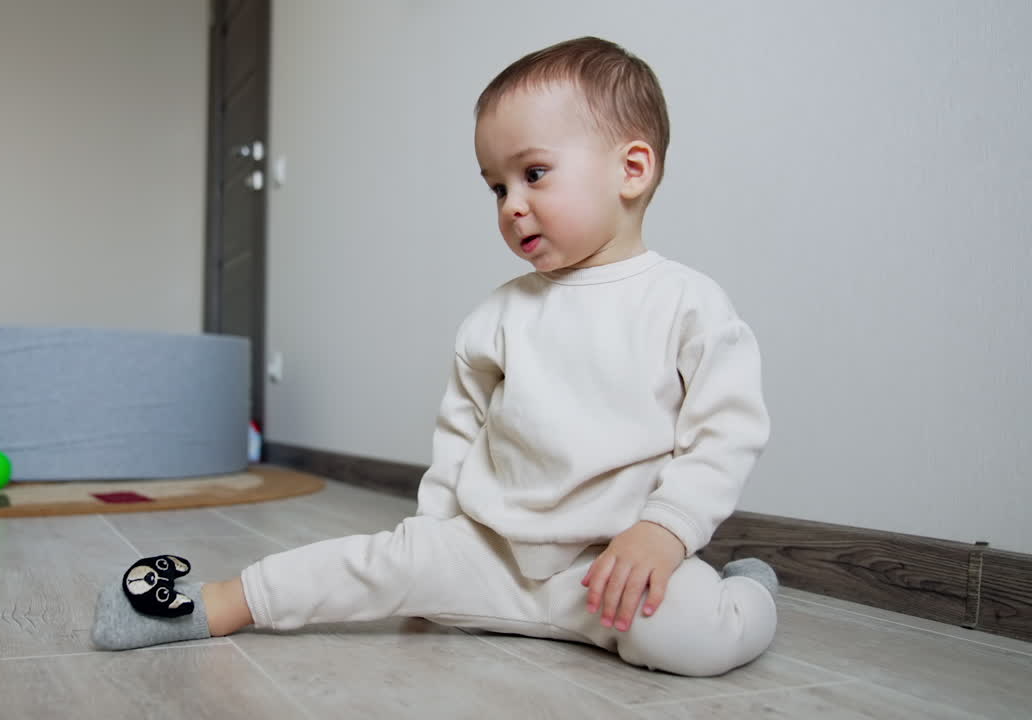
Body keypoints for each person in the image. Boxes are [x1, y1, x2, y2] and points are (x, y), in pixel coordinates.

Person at [91, 36, 778, 677]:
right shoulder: (496, 317)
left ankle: (746, 590)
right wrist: (436, 535)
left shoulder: (688, 303)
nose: (512, 205)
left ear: (631, 169)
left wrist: (666, 531)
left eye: (534, 173)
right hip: (492, 552)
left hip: (612, 565)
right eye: (497, 186)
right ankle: (212, 603)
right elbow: (462, 429)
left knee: (691, 635)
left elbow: (726, 432)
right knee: (380, 566)